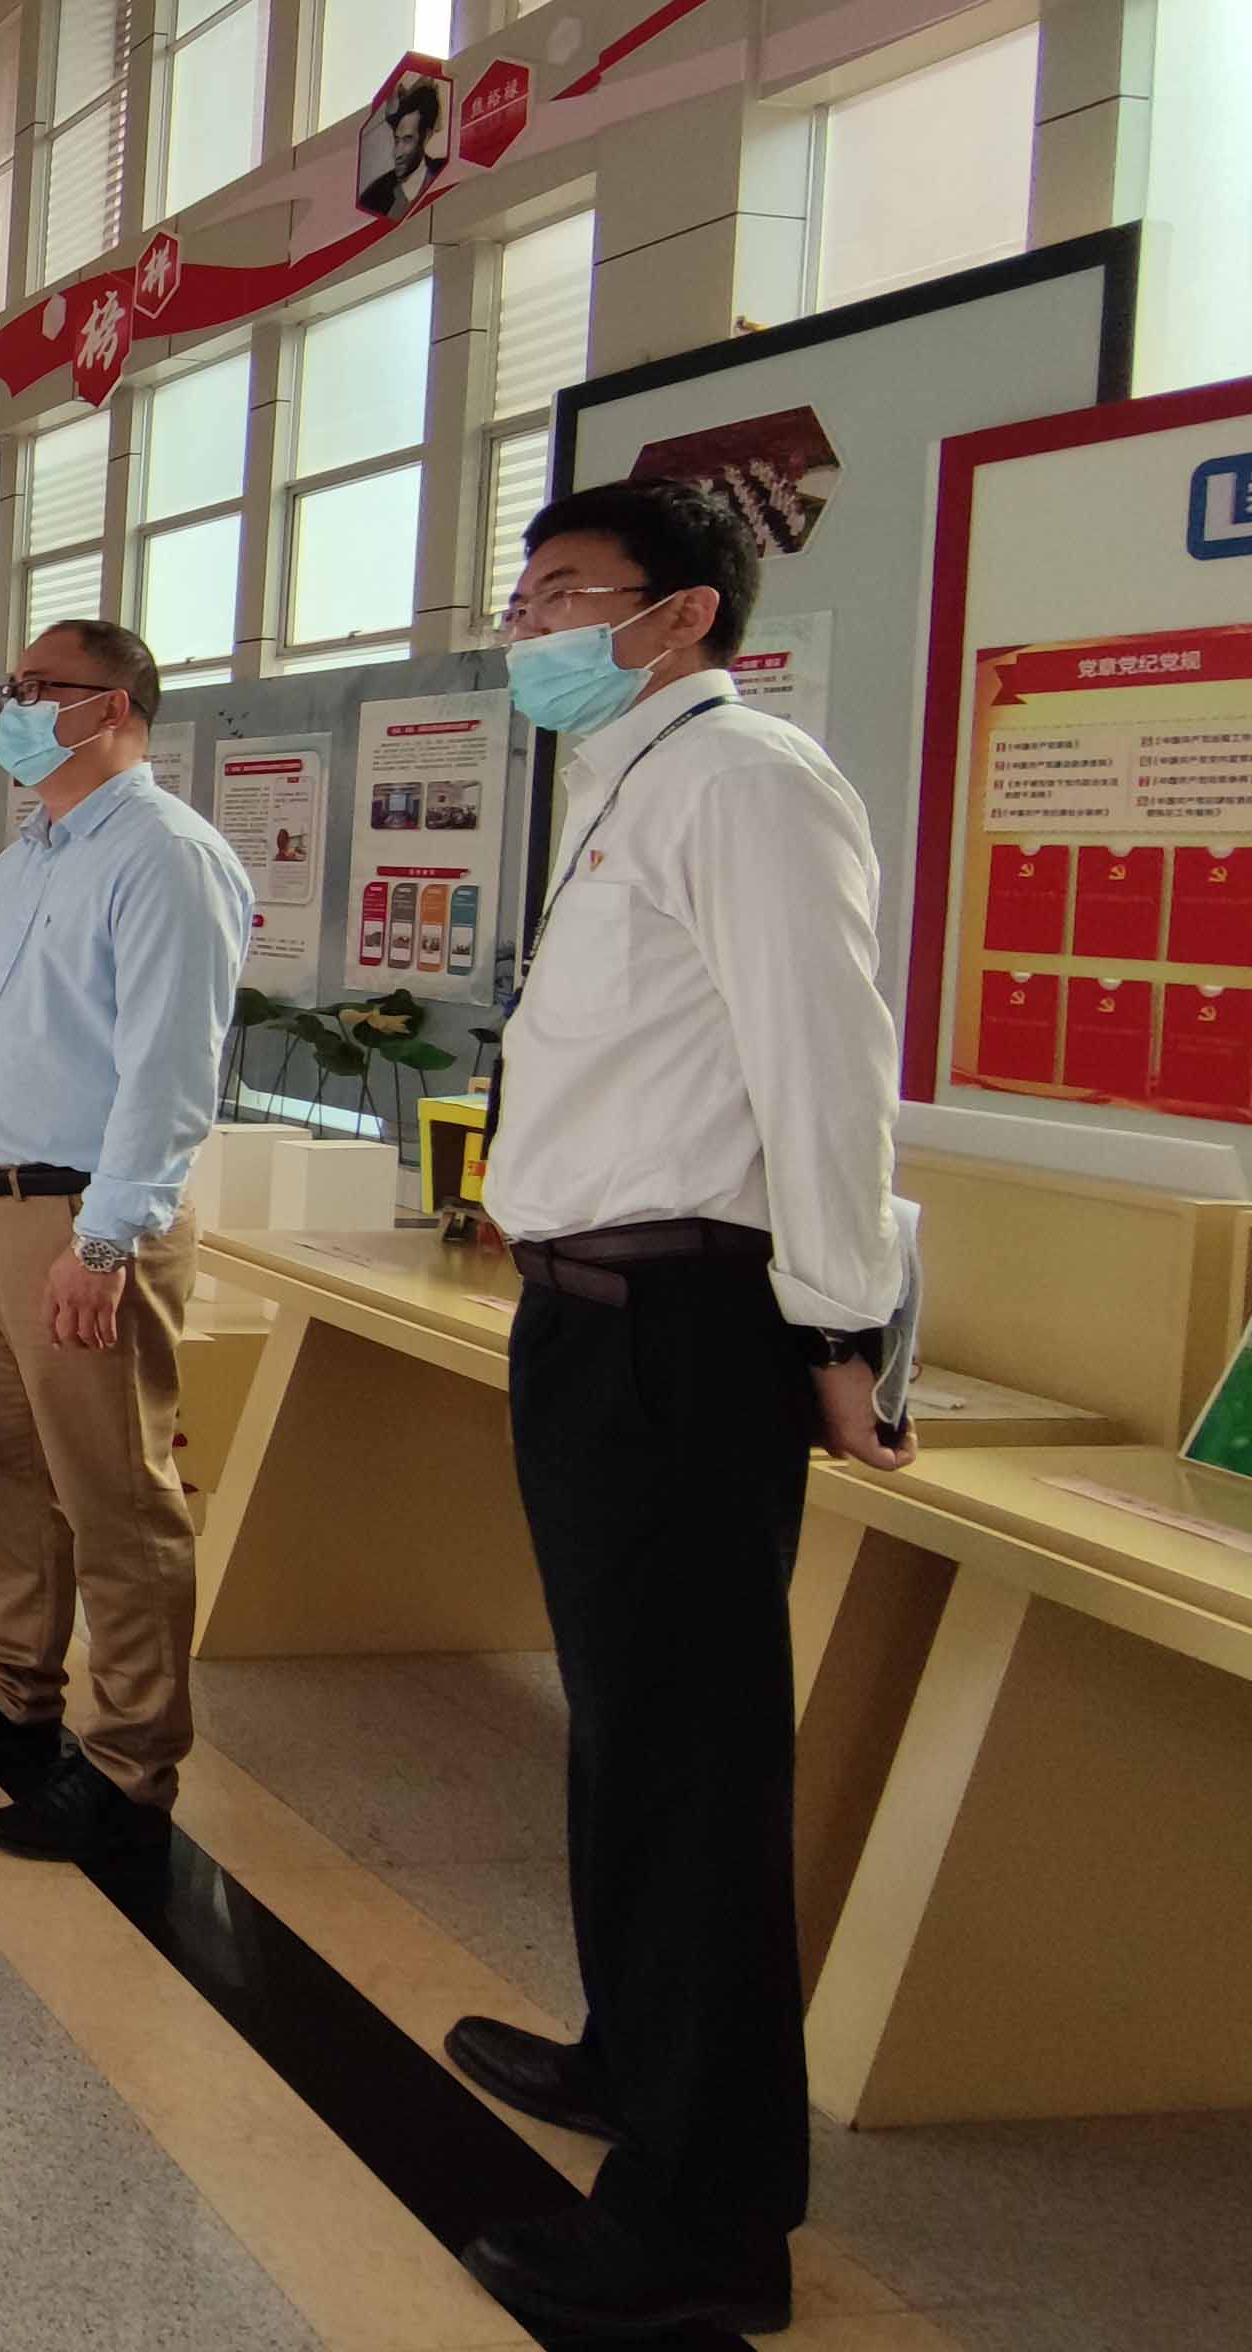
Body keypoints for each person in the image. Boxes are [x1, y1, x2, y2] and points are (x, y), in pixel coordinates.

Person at [450, 476, 906, 2342]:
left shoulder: (744, 781)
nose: (530, 625)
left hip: (688, 1330)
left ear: (683, 613)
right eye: (523, 594)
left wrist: (842, 1324)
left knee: (692, 1770)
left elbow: (826, 1066)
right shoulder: (628, 778)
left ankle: (708, 2223)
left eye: (568, 591)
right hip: (590, 1320)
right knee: (625, 1736)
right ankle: (634, 2055)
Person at [0, 620, 250, 1863]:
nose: (18, 706)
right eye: (14, 686)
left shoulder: (165, 854)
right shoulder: (27, 856)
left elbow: (170, 1070)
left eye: (44, 687)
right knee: (10, 1475)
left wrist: (102, 1243)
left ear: (117, 707)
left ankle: (130, 1763)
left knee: (114, 1498)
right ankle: (11, 1686)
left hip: (86, 1217)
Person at [358, 75, 446, 216]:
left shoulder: (445, 172)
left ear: (427, 136)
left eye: (407, 140)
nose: (397, 153)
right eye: (397, 140)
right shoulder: (373, 198)